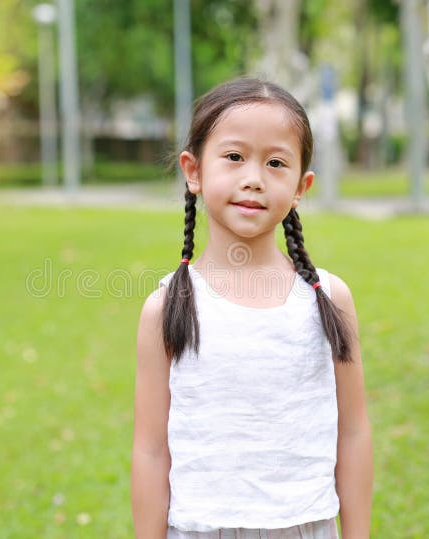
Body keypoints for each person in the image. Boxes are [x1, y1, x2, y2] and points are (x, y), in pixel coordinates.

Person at [131, 78, 372, 539]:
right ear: (194, 170)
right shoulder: (166, 307)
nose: (253, 178)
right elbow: (150, 450)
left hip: (306, 526)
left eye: (276, 162)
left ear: (301, 186)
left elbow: (354, 432)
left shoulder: (328, 299)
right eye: (235, 156)